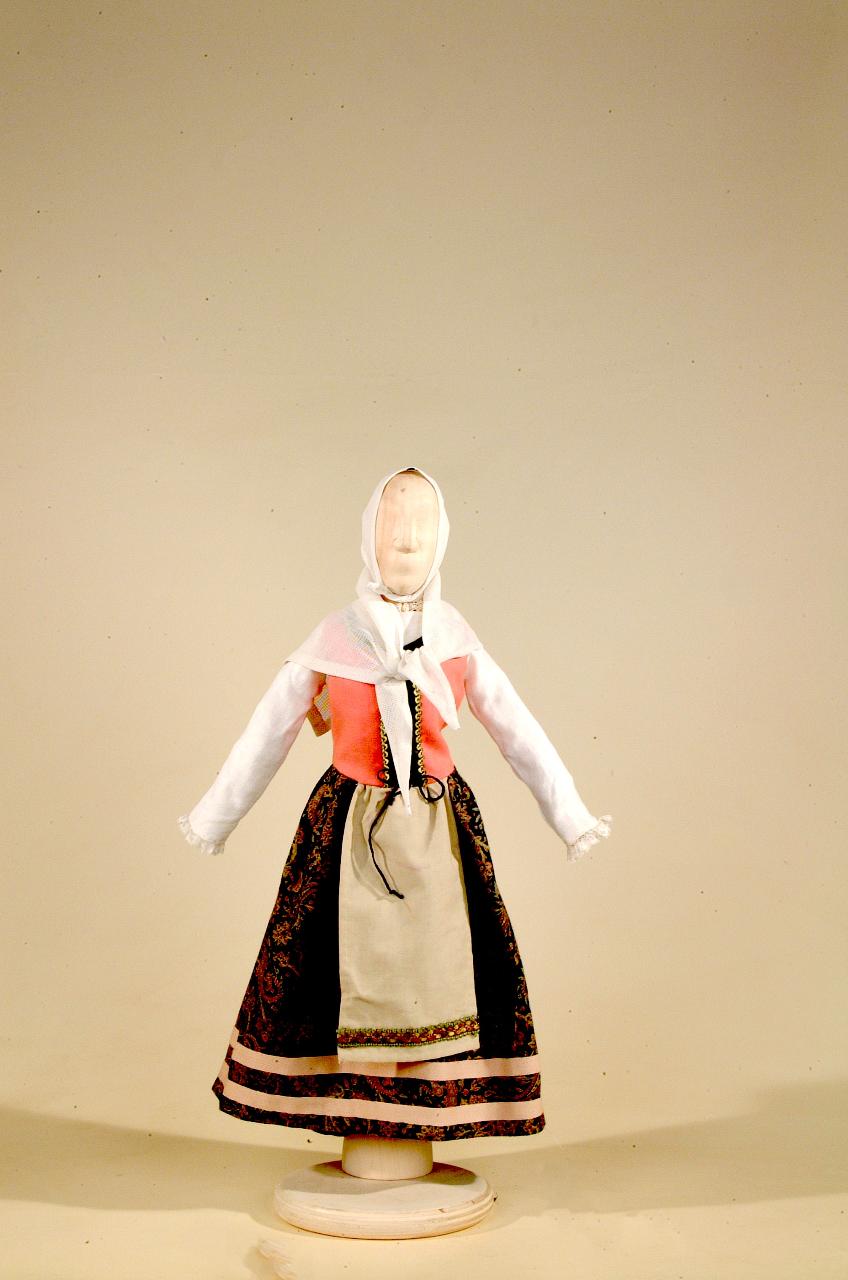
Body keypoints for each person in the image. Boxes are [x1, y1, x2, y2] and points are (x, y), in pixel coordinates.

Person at [177, 464, 612, 1141]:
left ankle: (423, 1107)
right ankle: (356, 1110)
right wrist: (215, 817)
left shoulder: (455, 638)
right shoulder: (335, 637)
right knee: (332, 962)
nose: (407, 541)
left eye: (422, 527)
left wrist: (571, 817)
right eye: (393, 526)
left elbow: (517, 728)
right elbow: (268, 730)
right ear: (368, 537)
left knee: (442, 960)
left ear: (443, 541)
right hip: (347, 831)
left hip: (438, 829)